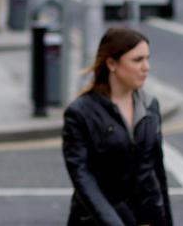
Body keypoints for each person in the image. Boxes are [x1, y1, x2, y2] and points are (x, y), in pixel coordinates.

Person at [62, 27, 172, 226]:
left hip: (145, 218)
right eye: (137, 60)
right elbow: (83, 179)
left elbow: (157, 171)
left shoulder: (150, 106)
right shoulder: (80, 113)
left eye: (147, 58)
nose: (146, 67)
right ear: (112, 63)